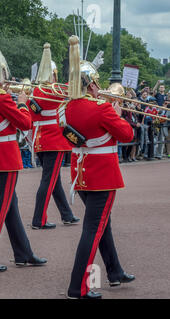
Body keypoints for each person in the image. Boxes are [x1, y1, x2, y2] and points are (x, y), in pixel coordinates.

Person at [63, 36, 135, 299]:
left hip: (80, 175)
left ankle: (114, 272)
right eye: (95, 83)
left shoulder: (67, 108)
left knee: (103, 224)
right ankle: (77, 288)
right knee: (93, 229)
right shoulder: (102, 108)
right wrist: (116, 114)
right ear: (91, 84)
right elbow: (127, 135)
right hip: (102, 176)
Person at [0, 28, 46, 274]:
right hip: (5, 156)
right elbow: (25, 123)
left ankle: (23, 253)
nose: (6, 79)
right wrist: (23, 104)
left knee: (9, 205)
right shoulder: (1, 97)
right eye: (4, 74)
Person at [27, 43, 79, 230]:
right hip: (53, 141)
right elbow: (74, 87)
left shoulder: (36, 90)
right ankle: (38, 219)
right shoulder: (52, 90)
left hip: (41, 140)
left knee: (53, 180)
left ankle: (67, 215)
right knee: (48, 181)